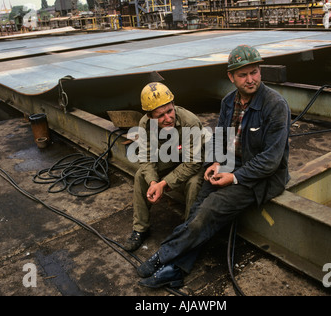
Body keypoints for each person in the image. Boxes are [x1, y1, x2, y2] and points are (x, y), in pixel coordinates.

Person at [136, 45, 291, 288]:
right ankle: (175, 270)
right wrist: (215, 162)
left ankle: (164, 257)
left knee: (208, 211)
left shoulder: (275, 105)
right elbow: (220, 139)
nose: (250, 79)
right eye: (243, 74)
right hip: (229, 165)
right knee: (198, 209)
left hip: (258, 177)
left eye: (255, 72)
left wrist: (234, 177)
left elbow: (271, 161)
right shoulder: (229, 101)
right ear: (231, 77)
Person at [123, 82, 205, 251]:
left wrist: (164, 183)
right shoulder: (145, 124)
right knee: (141, 175)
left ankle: (188, 233)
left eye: (170, 111)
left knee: (194, 182)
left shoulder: (190, 122)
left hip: (194, 163)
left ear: (174, 105)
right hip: (172, 158)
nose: (168, 118)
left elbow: (193, 163)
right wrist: (154, 182)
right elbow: (146, 157)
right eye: (160, 116)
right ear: (150, 117)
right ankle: (140, 228)